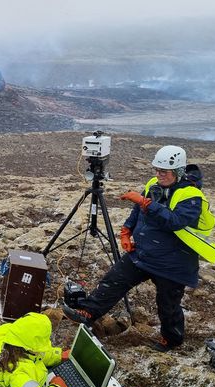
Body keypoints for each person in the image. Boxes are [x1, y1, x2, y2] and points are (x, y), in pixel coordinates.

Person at [62, 145, 207, 352]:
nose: (158, 175)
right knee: (114, 279)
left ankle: (171, 340)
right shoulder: (153, 184)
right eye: (156, 170)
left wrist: (147, 204)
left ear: (178, 172)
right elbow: (138, 210)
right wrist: (126, 230)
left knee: (168, 305)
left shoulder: (191, 196)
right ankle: (88, 312)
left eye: (163, 171)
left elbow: (175, 222)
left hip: (173, 262)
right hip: (144, 253)